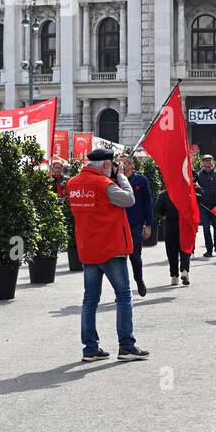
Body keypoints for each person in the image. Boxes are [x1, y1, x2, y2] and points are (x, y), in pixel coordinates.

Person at [68, 150, 148, 362]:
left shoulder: (73, 184)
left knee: (89, 300)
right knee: (123, 296)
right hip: (111, 248)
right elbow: (129, 199)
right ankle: (126, 346)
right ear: (105, 164)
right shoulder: (105, 185)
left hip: (88, 249)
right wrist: (121, 176)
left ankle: (90, 349)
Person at [121, 156, 154, 297]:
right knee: (120, 258)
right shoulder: (115, 181)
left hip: (136, 223)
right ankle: (122, 290)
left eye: (124, 162)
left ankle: (139, 280)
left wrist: (149, 225)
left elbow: (148, 203)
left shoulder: (141, 180)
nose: (121, 165)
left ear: (130, 165)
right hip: (119, 225)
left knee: (135, 256)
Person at [155, 186, 192, 286]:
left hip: (170, 223)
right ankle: (184, 270)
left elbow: (158, 209)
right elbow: (201, 199)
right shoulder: (187, 193)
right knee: (185, 248)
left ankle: (174, 275)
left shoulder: (163, 194)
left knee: (171, 251)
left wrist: (164, 214)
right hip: (184, 222)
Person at [194, 154, 216, 257]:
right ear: (202, 163)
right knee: (206, 228)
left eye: (209, 160)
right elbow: (195, 189)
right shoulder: (198, 175)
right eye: (205, 160)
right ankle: (209, 250)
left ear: (212, 162)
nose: (207, 162)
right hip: (203, 206)